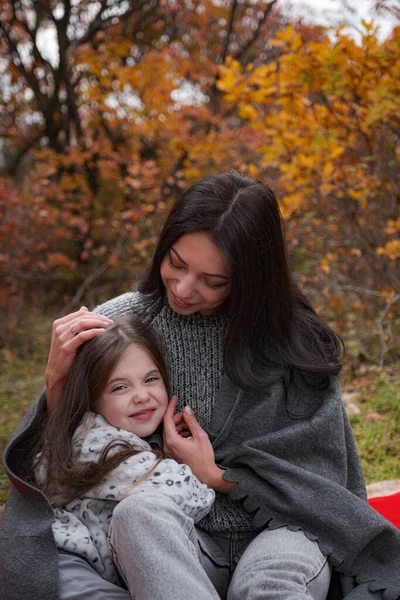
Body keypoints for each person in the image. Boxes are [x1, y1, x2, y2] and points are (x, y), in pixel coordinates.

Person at [1, 170, 399, 600]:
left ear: (251, 279)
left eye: (213, 281)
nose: (185, 289)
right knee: (139, 513)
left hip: (285, 532)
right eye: (176, 262)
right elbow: (66, 451)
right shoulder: (122, 321)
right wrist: (57, 378)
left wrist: (213, 474)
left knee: (266, 585)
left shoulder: (297, 344)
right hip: (183, 538)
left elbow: (321, 482)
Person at [33, 316, 217, 597]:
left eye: (150, 379)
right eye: (120, 387)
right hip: (74, 568)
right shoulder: (104, 444)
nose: (142, 396)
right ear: (92, 398)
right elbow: (194, 498)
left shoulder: (89, 436)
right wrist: (195, 467)